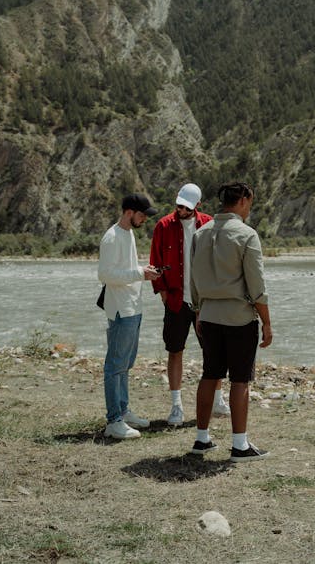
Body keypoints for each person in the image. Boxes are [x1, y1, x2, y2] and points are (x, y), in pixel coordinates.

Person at [190, 181, 273, 461]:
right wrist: (267, 322)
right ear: (243, 201)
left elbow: (194, 279)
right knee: (240, 380)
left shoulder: (200, 233)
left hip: (209, 314)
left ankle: (202, 440)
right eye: (250, 202)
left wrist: (199, 310)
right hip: (239, 317)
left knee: (209, 374)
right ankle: (240, 445)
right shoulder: (247, 234)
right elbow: (257, 285)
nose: (250, 207)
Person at [150, 183, 230, 426]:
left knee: (214, 351)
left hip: (204, 301)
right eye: (178, 205)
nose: (180, 209)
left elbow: (218, 259)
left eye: (185, 206)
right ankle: (176, 406)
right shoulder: (163, 226)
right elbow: (155, 259)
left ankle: (218, 399)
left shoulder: (209, 224)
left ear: (197, 206)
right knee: (175, 351)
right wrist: (162, 290)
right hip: (175, 301)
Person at [98, 192, 161, 440]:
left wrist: (143, 272)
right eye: (142, 214)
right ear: (129, 212)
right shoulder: (112, 237)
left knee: (125, 364)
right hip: (121, 310)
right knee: (115, 366)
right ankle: (113, 421)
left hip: (133, 307)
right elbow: (105, 275)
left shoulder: (128, 233)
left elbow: (125, 270)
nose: (145, 218)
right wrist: (140, 273)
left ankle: (123, 411)